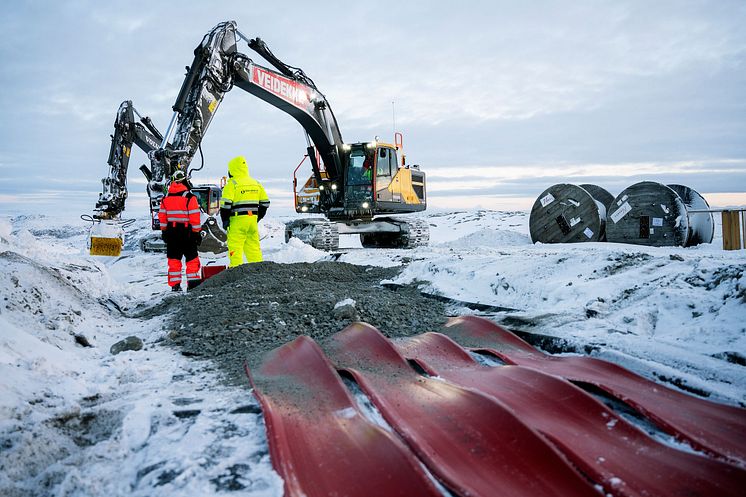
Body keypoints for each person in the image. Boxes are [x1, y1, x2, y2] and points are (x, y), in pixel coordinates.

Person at [220, 155, 270, 267]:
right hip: (252, 221)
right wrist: (257, 217)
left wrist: (225, 221)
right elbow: (265, 203)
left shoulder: (232, 184)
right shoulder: (256, 183)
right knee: (253, 248)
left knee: (235, 248)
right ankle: (258, 270)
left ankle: (235, 271)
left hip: (237, 221)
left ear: (232, 169)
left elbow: (225, 205)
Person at [158, 170, 202, 291]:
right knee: (192, 259)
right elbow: (194, 217)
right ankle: (193, 284)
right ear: (184, 181)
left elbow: (162, 216)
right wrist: (196, 233)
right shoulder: (190, 197)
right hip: (187, 233)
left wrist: (164, 231)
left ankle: (175, 286)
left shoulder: (165, 199)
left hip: (172, 233)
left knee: (174, 260)